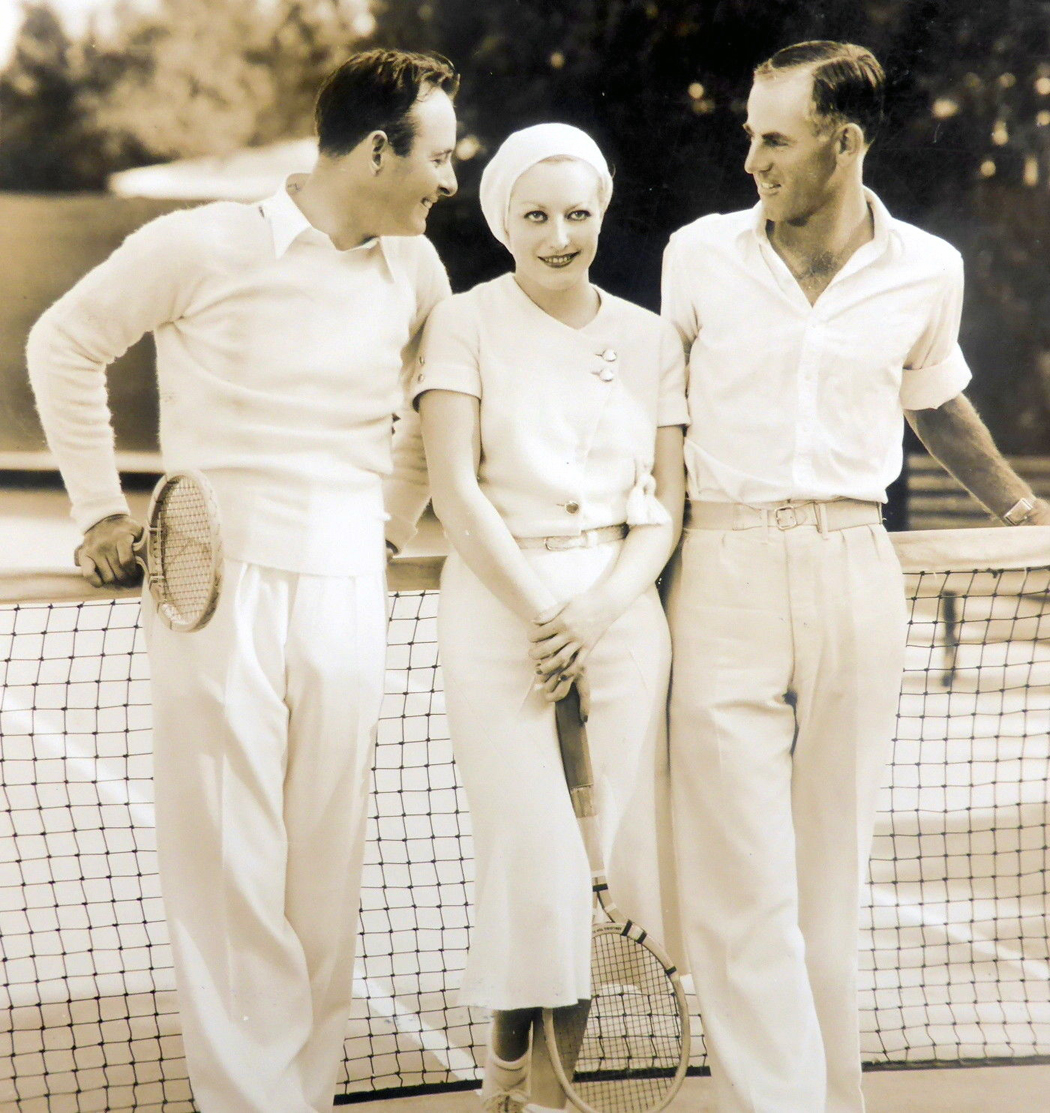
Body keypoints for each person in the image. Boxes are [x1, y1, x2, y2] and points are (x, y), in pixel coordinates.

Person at [26, 49, 459, 1113]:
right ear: (374, 149)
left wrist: (390, 522)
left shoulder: (417, 272)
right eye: (439, 156)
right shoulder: (202, 241)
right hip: (213, 587)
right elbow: (63, 343)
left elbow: (435, 409)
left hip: (347, 587)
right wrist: (96, 511)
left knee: (325, 874)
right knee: (229, 873)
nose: (449, 179)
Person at [661, 40, 1050, 1113]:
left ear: (845, 141)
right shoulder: (697, 255)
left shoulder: (928, 267)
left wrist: (1020, 510)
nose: (751, 159)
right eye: (749, 134)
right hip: (723, 569)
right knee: (743, 886)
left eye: (773, 138)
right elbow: (654, 416)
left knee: (827, 883)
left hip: (855, 569)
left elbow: (936, 400)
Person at [413, 124, 688, 1113]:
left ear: (602, 212)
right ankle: (506, 1086)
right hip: (498, 615)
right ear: (502, 221)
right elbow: (453, 486)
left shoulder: (653, 337)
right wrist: (545, 615)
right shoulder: (464, 321)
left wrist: (598, 611)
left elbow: (667, 508)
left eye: (578, 213)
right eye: (537, 214)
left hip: (620, 612)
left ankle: (552, 1094)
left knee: (599, 858)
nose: (561, 234)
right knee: (530, 852)